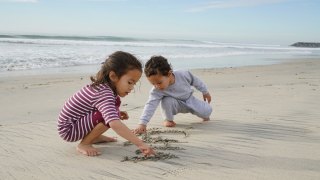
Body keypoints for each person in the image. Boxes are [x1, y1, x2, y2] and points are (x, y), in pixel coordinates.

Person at [57, 51, 155, 156]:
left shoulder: (103, 89)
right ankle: (84, 144)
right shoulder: (104, 93)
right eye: (129, 82)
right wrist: (140, 144)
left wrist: (117, 111)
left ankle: (94, 137)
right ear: (113, 76)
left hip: (76, 124)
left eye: (134, 84)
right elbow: (114, 124)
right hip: (69, 129)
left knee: (114, 109)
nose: (131, 88)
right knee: (113, 116)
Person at [134, 56, 212, 134]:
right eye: (153, 84)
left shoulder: (183, 74)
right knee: (166, 101)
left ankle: (204, 114)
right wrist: (142, 123)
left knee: (207, 112)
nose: (156, 86)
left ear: (169, 74)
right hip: (175, 104)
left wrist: (205, 92)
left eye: (159, 83)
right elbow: (150, 105)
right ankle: (168, 119)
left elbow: (196, 81)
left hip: (190, 100)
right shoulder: (156, 91)